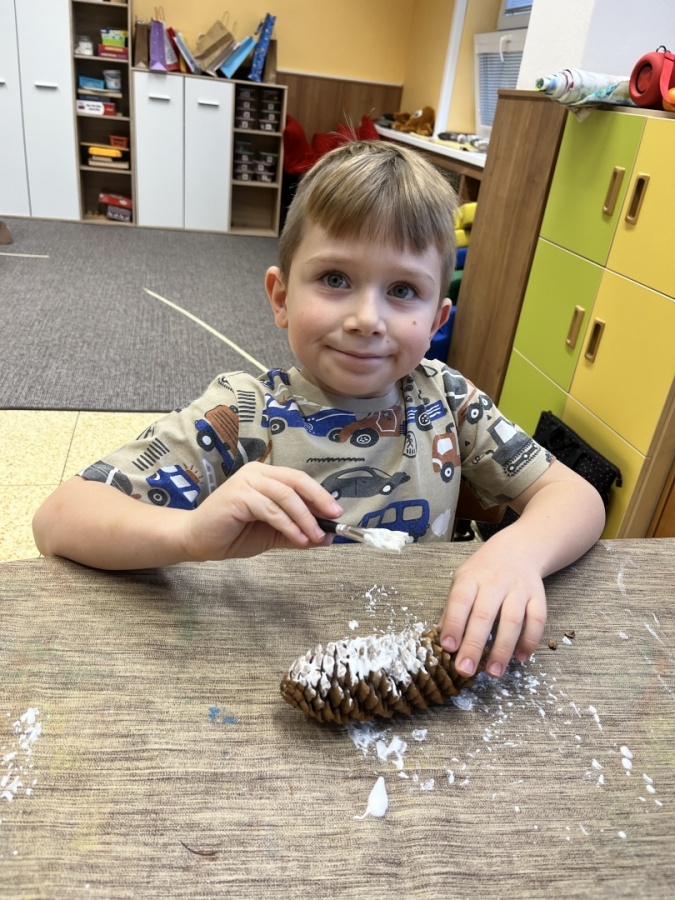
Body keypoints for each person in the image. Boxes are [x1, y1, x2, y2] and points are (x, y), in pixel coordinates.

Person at [33, 140, 605, 681]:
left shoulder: (449, 402)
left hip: (414, 666)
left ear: (436, 320)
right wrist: (188, 535)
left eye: (403, 290)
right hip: (263, 666)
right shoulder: (243, 410)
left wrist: (516, 554)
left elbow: (575, 497)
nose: (366, 319)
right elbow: (59, 519)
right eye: (335, 279)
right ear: (282, 297)